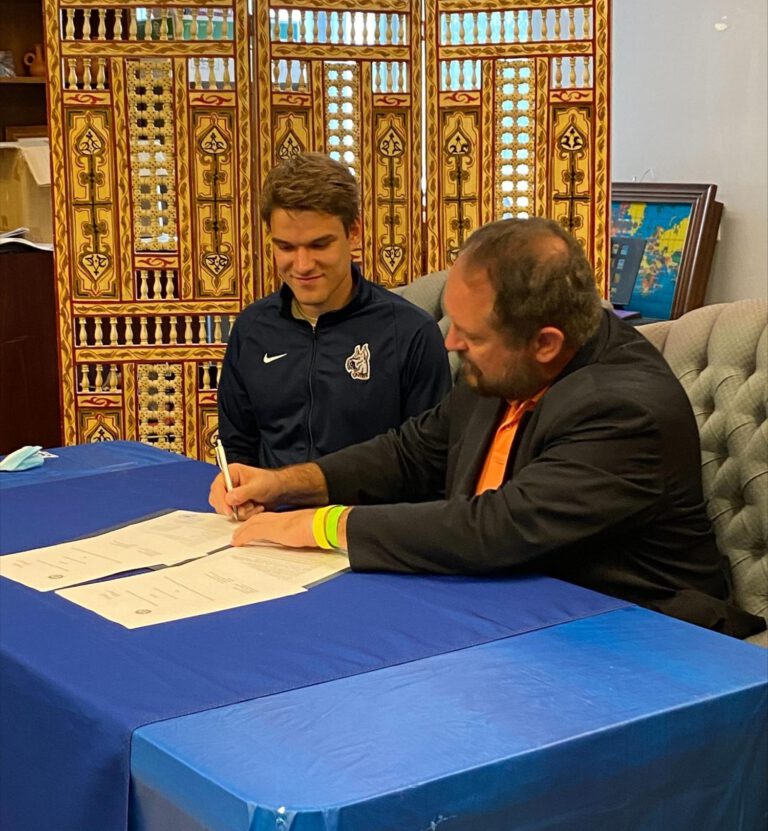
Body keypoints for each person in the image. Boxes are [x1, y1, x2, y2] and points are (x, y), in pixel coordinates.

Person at [210, 216, 764, 638]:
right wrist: (283, 483)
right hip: (511, 609)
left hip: (644, 638)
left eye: (470, 337)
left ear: (545, 342)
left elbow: (495, 529)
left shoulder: (623, 410)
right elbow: (413, 451)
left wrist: (321, 527)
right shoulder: (512, 364)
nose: (451, 343)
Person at [214, 152, 452, 471]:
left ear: (353, 232)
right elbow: (238, 446)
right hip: (271, 517)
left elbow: (429, 462)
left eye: (319, 245)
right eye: (285, 247)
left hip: (366, 519)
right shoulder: (252, 329)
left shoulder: (411, 332)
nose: (302, 265)